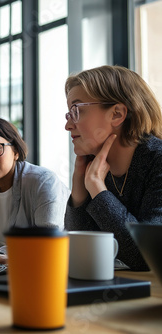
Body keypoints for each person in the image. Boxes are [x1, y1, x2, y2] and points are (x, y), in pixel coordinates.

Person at [64, 65, 162, 271]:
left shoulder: (158, 161)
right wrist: (79, 190)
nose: (68, 125)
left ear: (117, 114)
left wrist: (98, 189)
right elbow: (82, 254)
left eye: (77, 110)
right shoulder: (94, 167)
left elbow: (147, 256)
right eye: (68, 114)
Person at [0, 117, 69, 266]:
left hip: (34, 269)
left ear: (16, 150)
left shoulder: (43, 181)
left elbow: (47, 241)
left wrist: (8, 257)